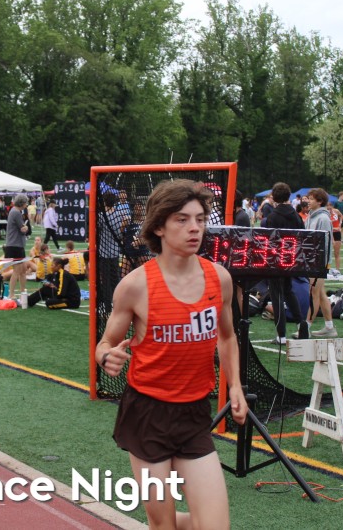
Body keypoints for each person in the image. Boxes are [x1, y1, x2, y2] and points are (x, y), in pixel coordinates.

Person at [95, 179, 247, 529]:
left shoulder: (219, 279)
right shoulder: (135, 286)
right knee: (162, 524)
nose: (195, 228)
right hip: (147, 414)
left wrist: (235, 386)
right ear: (159, 227)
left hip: (194, 414)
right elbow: (105, 344)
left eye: (200, 219)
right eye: (182, 219)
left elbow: (227, 337)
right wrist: (107, 357)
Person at [262, 182, 310, 343]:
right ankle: (301, 324)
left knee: (277, 295)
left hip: (277, 260)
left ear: (274, 197)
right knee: (289, 291)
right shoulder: (296, 216)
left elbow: (270, 240)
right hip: (292, 259)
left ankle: (281, 335)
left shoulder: (273, 217)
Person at [306, 188, 339, 337]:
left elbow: (324, 244)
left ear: (320, 201)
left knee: (313, 293)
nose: (308, 201)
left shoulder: (323, 218)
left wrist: (320, 263)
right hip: (313, 261)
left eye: (311, 199)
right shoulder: (311, 216)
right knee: (320, 293)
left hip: (318, 262)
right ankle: (329, 327)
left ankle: (306, 327)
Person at [4, 194, 30, 301]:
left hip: (17, 245)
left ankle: (23, 292)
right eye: (26, 203)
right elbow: (22, 229)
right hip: (15, 245)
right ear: (22, 203)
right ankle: (11, 294)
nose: (26, 205)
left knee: (23, 270)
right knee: (17, 271)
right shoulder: (16, 212)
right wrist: (26, 227)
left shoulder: (14, 211)